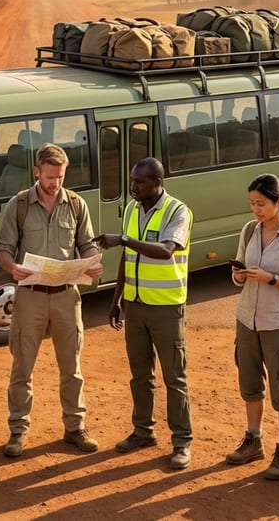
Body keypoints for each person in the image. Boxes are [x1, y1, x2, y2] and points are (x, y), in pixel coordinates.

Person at [0, 143, 105, 457]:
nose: (55, 183)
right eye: (50, 177)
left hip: (66, 298)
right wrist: (10, 266)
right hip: (29, 297)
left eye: (59, 177)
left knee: (72, 368)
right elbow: (2, 248)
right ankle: (18, 431)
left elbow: (86, 244)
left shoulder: (76, 204)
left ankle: (75, 428)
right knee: (22, 369)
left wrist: (92, 262)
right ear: (36, 172)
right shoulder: (18, 206)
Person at [95, 158, 194, 470]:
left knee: (174, 377)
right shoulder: (133, 210)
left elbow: (166, 250)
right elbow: (128, 257)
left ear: (157, 183)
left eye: (139, 182)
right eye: (132, 180)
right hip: (136, 306)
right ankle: (143, 431)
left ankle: (181, 441)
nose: (132, 187)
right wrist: (117, 299)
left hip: (166, 308)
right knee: (140, 375)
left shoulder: (178, 211)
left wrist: (123, 239)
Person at [226, 174, 279, 482]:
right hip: (247, 319)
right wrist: (240, 276)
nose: (256, 210)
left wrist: (271, 279)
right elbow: (238, 265)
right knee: (250, 384)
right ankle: (254, 440)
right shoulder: (249, 230)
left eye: (261, 204)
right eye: (252, 204)